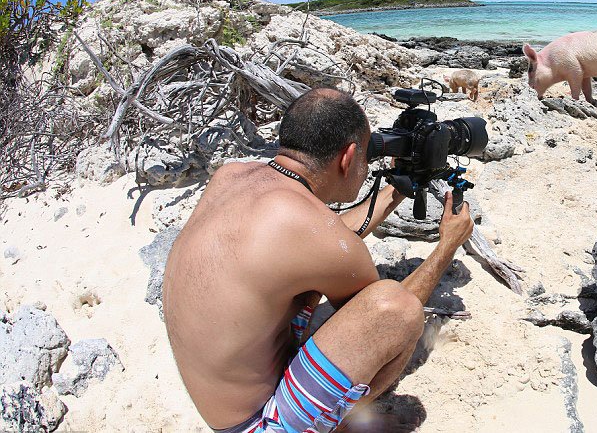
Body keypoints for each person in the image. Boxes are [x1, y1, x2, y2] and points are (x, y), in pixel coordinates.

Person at [162, 88, 474, 432]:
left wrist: (399, 187)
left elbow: (321, 241)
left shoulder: (231, 176)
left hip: (219, 404)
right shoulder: (320, 238)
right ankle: (338, 425)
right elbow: (387, 318)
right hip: (256, 424)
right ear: (348, 157)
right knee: (398, 308)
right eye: (367, 156)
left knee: (306, 287)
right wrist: (447, 246)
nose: (367, 166)